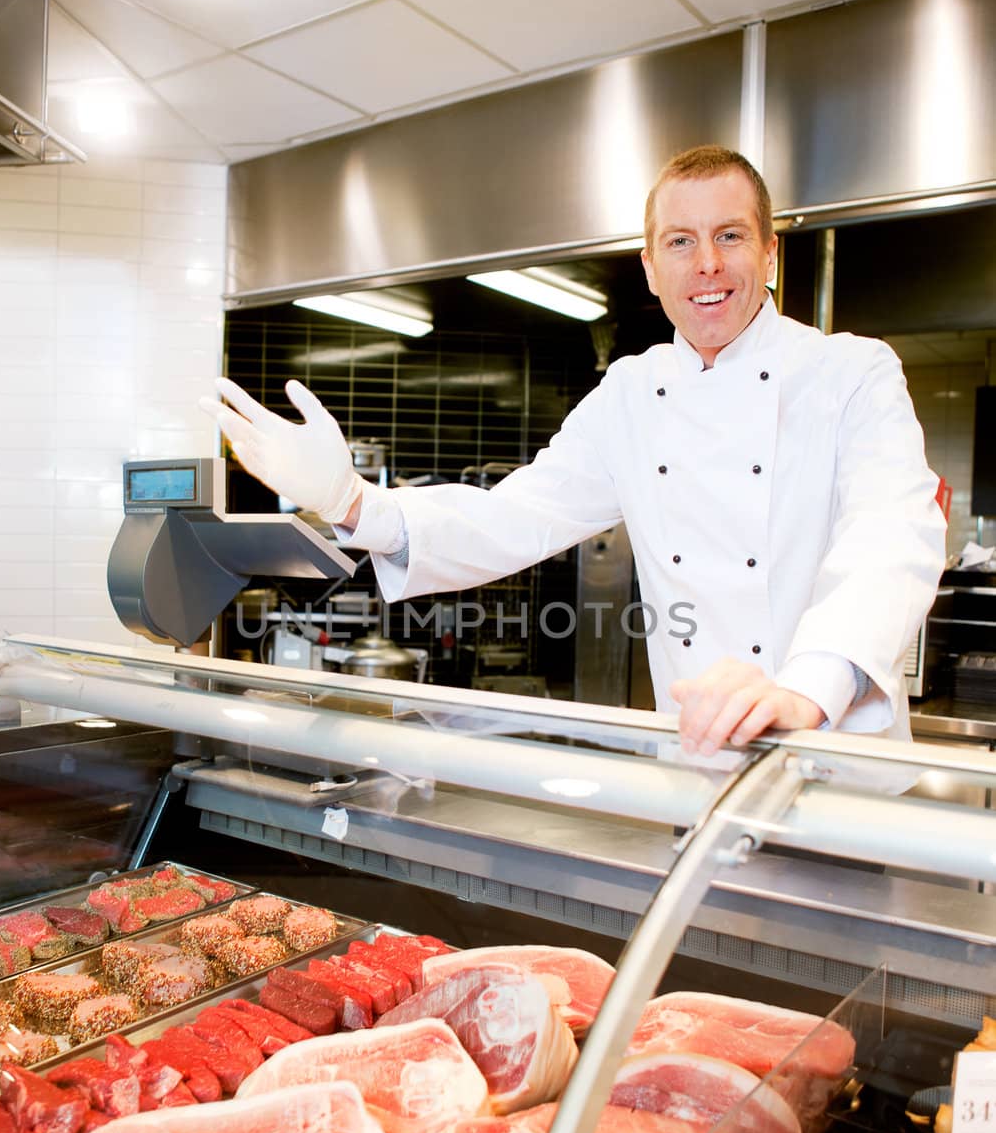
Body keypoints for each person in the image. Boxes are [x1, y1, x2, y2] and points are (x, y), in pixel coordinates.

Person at [201, 145, 946, 752]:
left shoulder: (850, 371)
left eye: (729, 235)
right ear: (651, 268)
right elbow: (516, 517)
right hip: (702, 761)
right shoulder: (630, 393)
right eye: (679, 243)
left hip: (836, 759)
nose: (706, 265)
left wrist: (801, 689)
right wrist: (350, 502)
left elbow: (893, 536)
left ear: (769, 252)